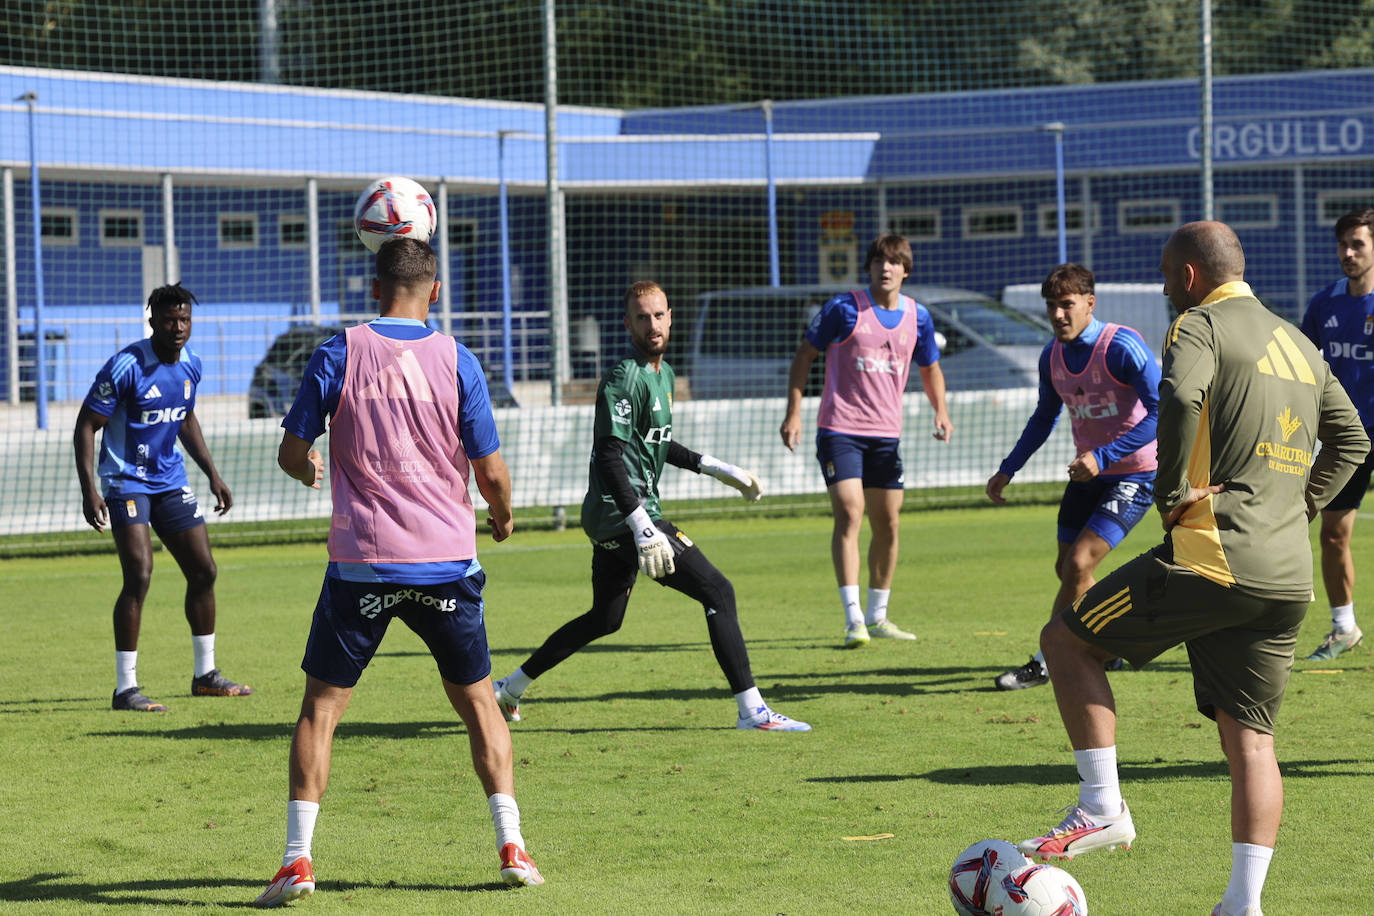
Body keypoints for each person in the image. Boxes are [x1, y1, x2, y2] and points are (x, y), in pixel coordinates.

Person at [1016, 222, 1368, 916]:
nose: (1162, 288)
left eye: (1163, 275)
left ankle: (1100, 807)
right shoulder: (1298, 340)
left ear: (1188, 278)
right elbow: (1354, 438)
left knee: (1064, 642)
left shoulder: (1199, 324)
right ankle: (1243, 903)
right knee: (1252, 740)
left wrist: (1174, 496)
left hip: (1214, 554)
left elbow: (1175, 399)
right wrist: (1296, 508)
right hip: (1288, 575)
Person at [254, 239, 542, 908]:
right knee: (477, 705)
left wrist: (306, 469)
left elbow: (291, 451)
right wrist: (500, 514)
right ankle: (512, 847)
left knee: (321, 710)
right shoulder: (457, 359)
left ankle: (297, 861)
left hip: (363, 563)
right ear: (434, 291)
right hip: (444, 560)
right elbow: (490, 470)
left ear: (374, 284)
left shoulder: (339, 351)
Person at [491, 281, 809, 732]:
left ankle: (510, 688)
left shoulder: (663, 374)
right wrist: (641, 523)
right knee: (718, 592)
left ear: (670, 317)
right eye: (642, 317)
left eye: (659, 315)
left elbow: (657, 443)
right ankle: (753, 712)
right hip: (623, 512)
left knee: (606, 618)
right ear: (628, 324)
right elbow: (609, 453)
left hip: (622, 515)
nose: (652, 324)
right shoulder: (624, 377)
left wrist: (719, 469)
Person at [73, 283, 250, 713]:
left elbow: (185, 417)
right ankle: (125, 689)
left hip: (170, 481)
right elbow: (85, 425)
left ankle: (206, 675)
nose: (178, 327)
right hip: (125, 481)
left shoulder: (192, 364)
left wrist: (213, 474)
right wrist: (89, 490)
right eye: (170, 319)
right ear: (152, 320)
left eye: (185, 319)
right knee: (139, 572)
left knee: (204, 570)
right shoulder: (126, 366)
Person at [986, 264, 1160, 690]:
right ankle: (1109, 644)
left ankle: (1047, 662)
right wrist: (1008, 468)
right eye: (1051, 307)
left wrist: (1104, 455)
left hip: (1135, 473)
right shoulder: (1052, 356)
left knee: (1081, 563)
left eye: (1066, 305)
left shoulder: (1122, 346)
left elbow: (1164, 409)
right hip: (1089, 474)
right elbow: (1045, 416)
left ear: (1089, 303)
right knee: (1068, 569)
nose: (1058, 315)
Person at [779, 234, 953, 648]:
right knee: (850, 513)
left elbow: (931, 368)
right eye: (878, 261)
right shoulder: (843, 309)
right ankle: (853, 617)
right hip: (839, 429)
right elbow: (805, 355)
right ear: (869, 268)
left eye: (893, 262)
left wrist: (941, 410)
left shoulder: (919, 317)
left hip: (886, 437)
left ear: (906, 270)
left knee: (888, 524)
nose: (885, 268)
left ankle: (878, 616)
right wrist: (793, 412)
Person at [1298, 206, 1374, 660]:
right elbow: (1304, 369)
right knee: (1331, 533)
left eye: (1358, 244)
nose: (1347, 253)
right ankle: (1344, 627)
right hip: (1348, 439)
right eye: (1343, 245)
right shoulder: (1325, 304)